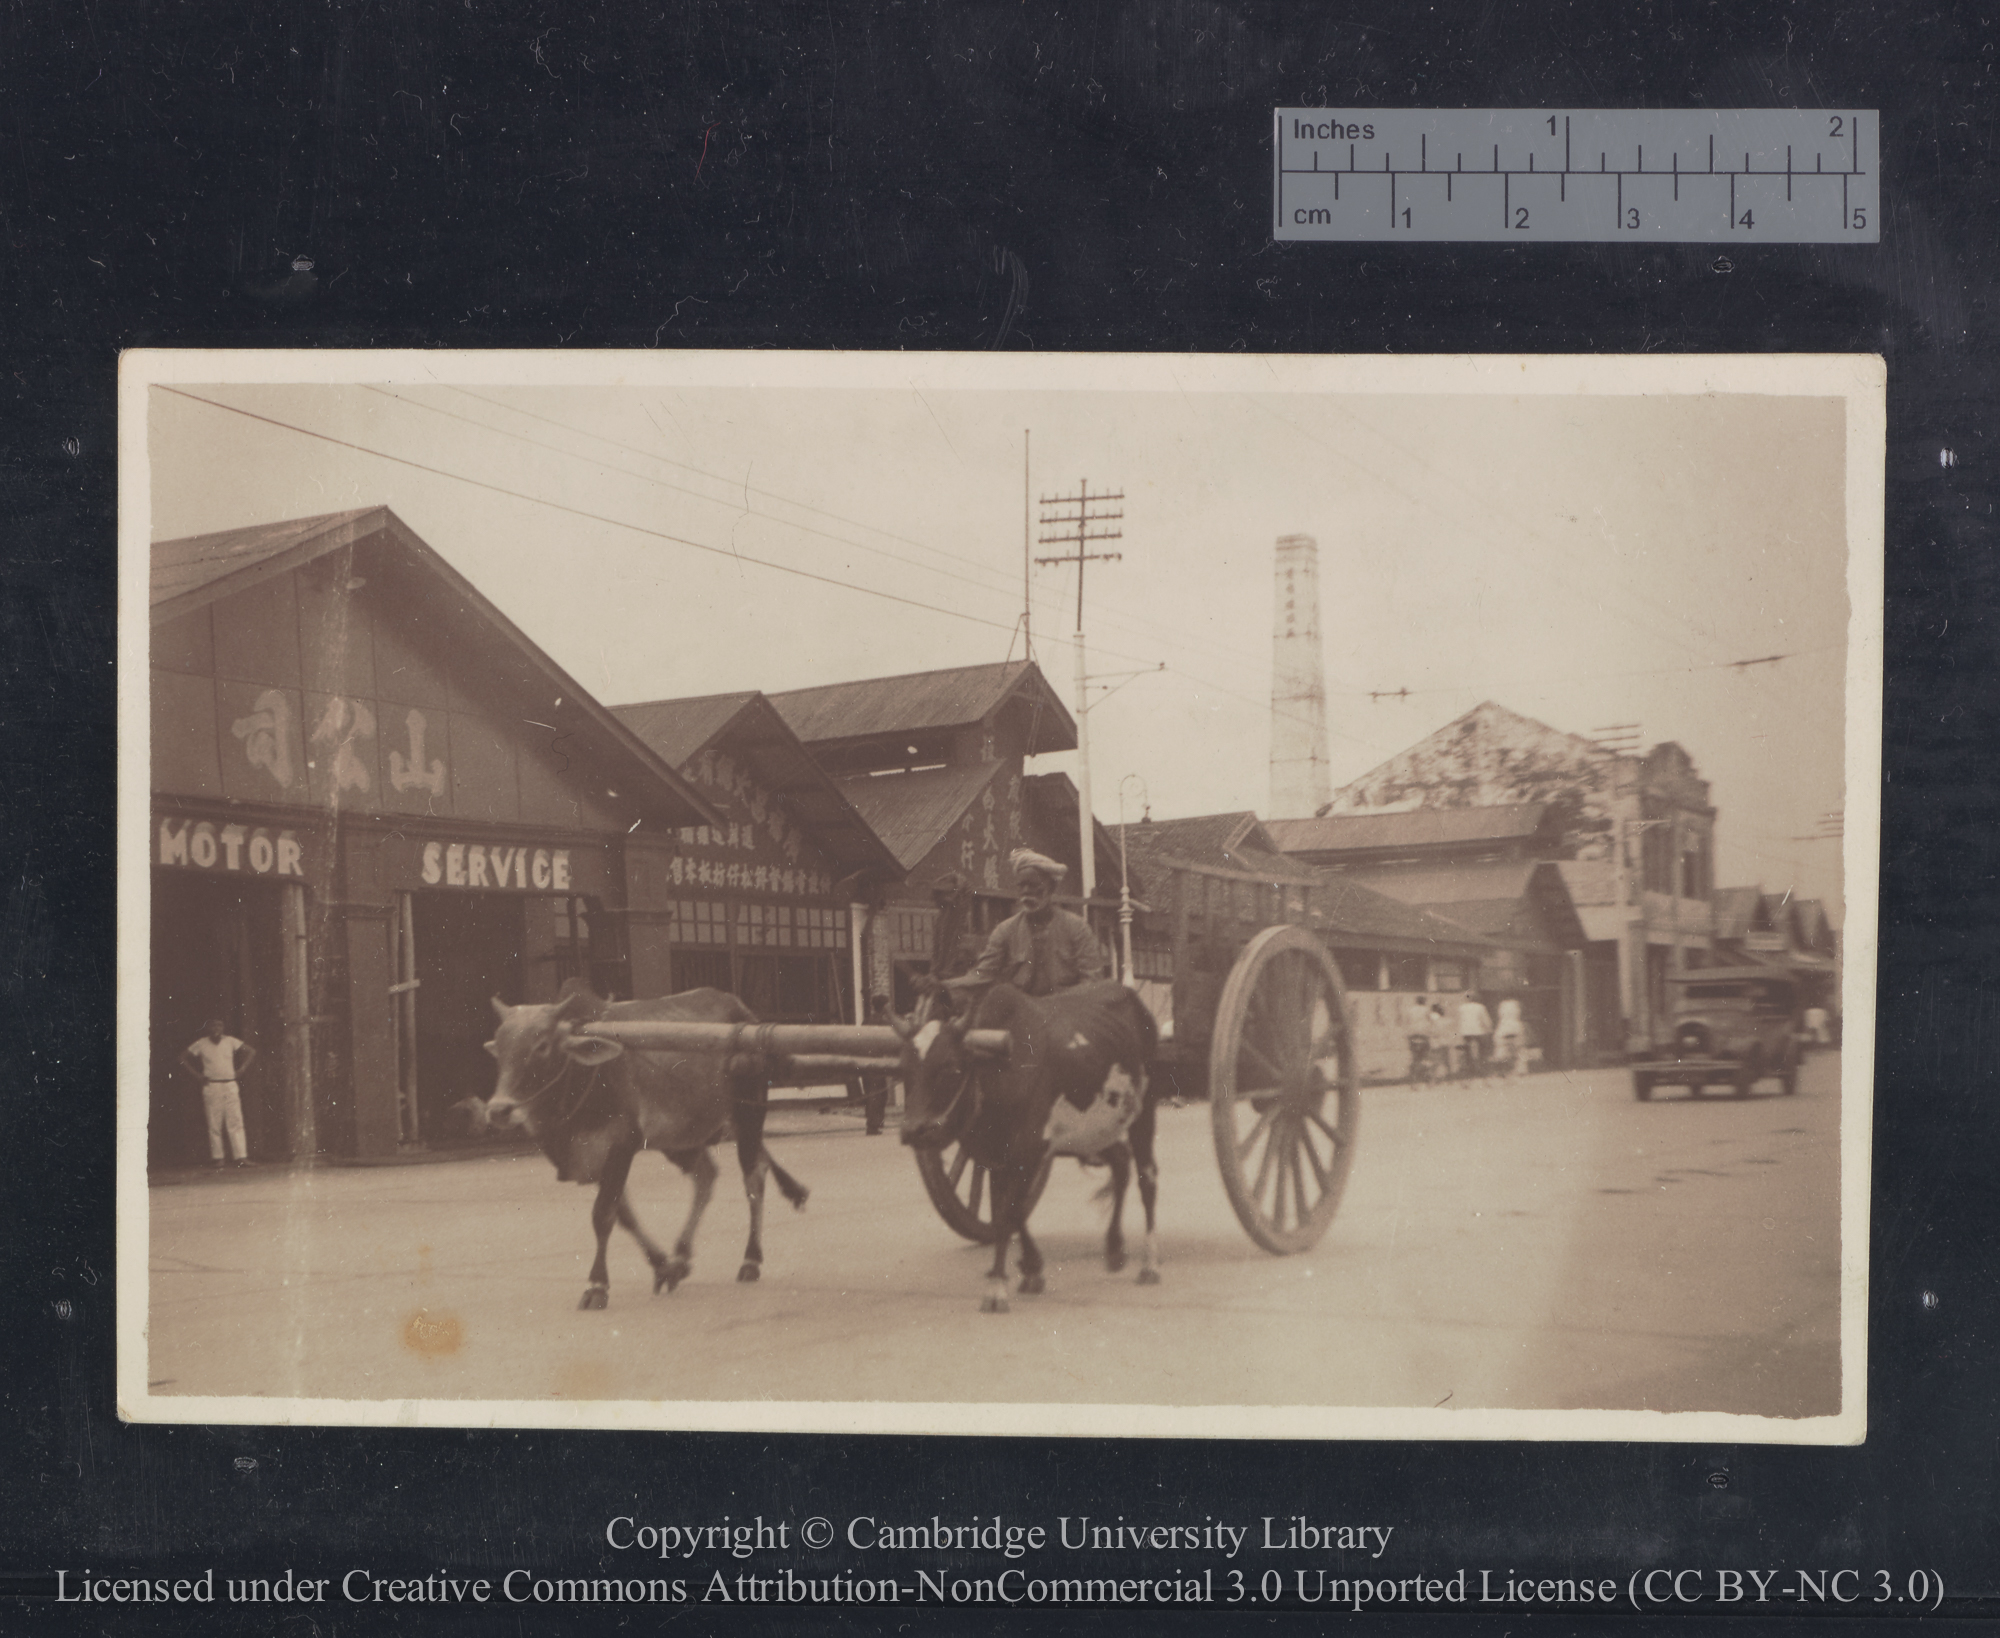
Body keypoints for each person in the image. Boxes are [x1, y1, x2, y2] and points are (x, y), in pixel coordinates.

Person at [944, 849, 1108, 1001]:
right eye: (1022, 885)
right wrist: (944, 988)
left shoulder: (1077, 928)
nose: (1026, 891)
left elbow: (1092, 980)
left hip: (1066, 1012)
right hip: (1022, 1016)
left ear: (1051, 887)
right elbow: (981, 976)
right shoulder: (1005, 931)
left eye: (1034, 884)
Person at [181, 1018, 256, 1168]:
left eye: (220, 1025)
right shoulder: (201, 1043)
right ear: (208, 1027)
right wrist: (198, 1076)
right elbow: (183, 1058)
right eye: (213, 1025)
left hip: (229, 1084)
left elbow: (251, 1051)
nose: (217, 1028)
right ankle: (218, 1158)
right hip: (212, 1086)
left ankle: (241, 1156)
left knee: (235, 1121)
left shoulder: (230, 1041)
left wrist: (242, 1069)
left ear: (223, 1027)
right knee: (214, 1123)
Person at [1457, 992, 1495, 1081]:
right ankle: (1482, 1068)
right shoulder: (1480, 1007)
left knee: (1467, 1051)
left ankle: (1469, 1069)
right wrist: (1490, 1029)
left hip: (1466, 1032)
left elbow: (1460, 1020)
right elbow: (1486, 1020)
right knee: (1483, 1050)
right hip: (1478, 1032)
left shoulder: (1462, 1008)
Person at [1494, 995, 1527, 1079]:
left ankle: (1501, 1070)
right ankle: (1521, 1070)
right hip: (1516, 1027)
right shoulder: (1517, 1004)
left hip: (1503, 1028)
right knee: (1520, 1050)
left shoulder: (1502, 1005)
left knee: (1501, 1050)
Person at [1405, 994, 1435, 1084]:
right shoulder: (1426, 1009)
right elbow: (1431, 1020)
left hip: (1412, 1034)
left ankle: (1413, 1079)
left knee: (1415, 1057)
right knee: (1425, 1056)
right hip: (1423, 1034)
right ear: (1424, 1001)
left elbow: (1407, 1021)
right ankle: (1428, 1078)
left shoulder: (1410, 1010)